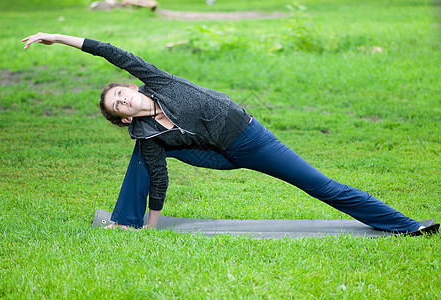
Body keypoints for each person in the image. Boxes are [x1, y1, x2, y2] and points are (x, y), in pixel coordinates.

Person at [22, 32, 438, 235]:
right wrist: (154, 225)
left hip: (249, 140)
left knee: (319, 185)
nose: (122, 102)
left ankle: (406, 225)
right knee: (145, 154)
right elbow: (159, 178)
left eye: (120, 95)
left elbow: (111, 52)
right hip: (213, 155)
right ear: (124, 118)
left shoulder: (157, 81)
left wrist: (57, 38)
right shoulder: (146, 133)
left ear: (131, 88)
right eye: (117, 108)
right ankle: (131, 225)